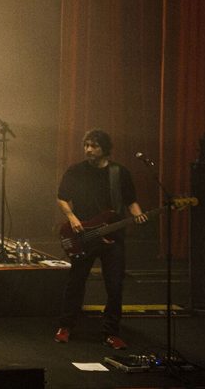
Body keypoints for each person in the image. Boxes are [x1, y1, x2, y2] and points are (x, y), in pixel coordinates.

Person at [54, 129, 147, 350]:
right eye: (86, 145)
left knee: (115, 286)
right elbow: (62, 198)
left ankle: (111, 332)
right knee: (76, 282)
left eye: (93, 146)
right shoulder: (76, 171)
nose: (88, 149)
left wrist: (138, 215)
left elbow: (131, 201)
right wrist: (72, 217)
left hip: (113, 237)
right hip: (83, 235)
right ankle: (66, 326)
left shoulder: (119, 173)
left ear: (105, 148)